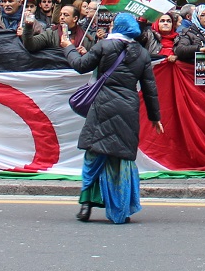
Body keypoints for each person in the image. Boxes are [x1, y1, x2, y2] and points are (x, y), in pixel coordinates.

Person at [65, 16, 162, 224]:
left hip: (103, 106)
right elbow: (150, 88)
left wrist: (68, 48)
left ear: (117, 27)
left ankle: (86, 204)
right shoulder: (142, 54)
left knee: (94, 155)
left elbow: (80, 65)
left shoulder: (104, 46)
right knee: (121, 159)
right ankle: (121, 209)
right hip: (128, 108)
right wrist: (155, 117)